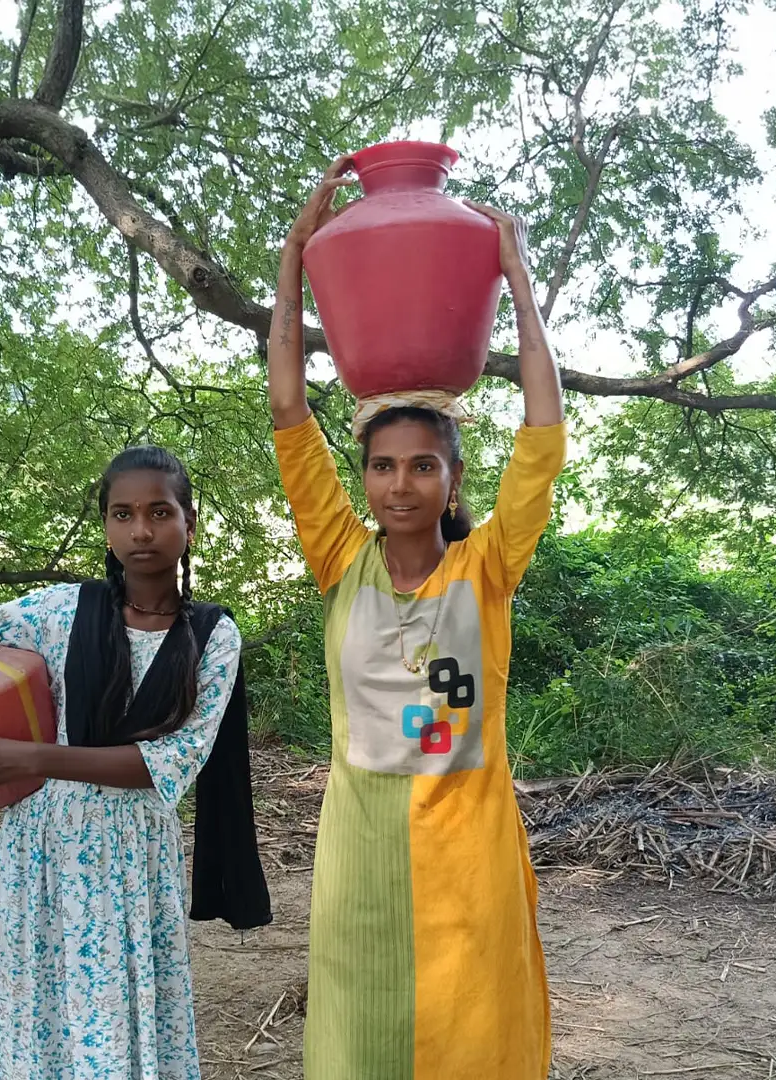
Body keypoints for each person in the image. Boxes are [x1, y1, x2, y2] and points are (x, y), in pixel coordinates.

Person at [267, 158, 567, 1080]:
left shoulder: (487, 570)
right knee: (362, 1045)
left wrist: (515, 280)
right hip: (360, 855)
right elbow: (286, 406)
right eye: (383, 466)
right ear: (363, 478)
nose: (400, 484)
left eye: (422, 466)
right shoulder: (340, 560)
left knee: (472, 1041)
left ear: (452, 478)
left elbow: (543, 433)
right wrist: (292, 263)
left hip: (467, 856)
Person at [0, 445, 270, 1080]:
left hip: (134, 859)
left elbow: (170, 760)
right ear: (106, 527)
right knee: (38, 1019)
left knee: (122, 1023)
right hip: (39, 856)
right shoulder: (59, 611)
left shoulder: (210, 635)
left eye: (160, 512)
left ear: (190, 525)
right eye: (122, 513)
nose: (141, 531)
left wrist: (29, 756)